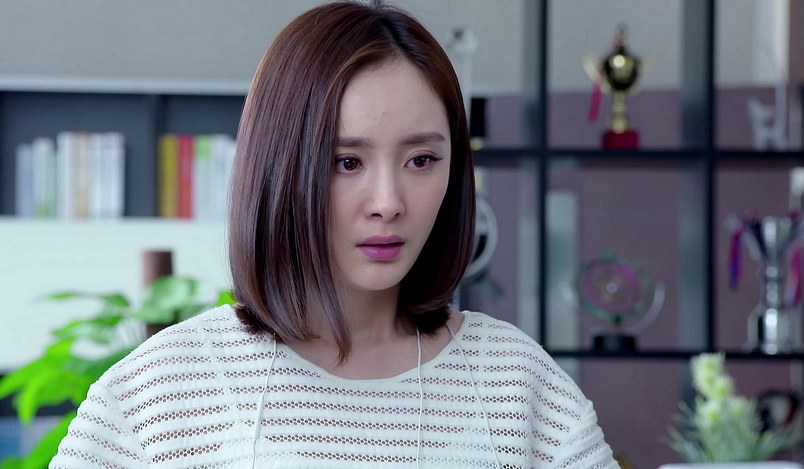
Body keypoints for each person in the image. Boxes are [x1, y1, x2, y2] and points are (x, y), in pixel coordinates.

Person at [51, 1, 618, 467]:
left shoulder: (518, 385)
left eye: (421, 160)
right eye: (346, 163)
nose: (388, 203)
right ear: (278, 168)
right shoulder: (161, 392)